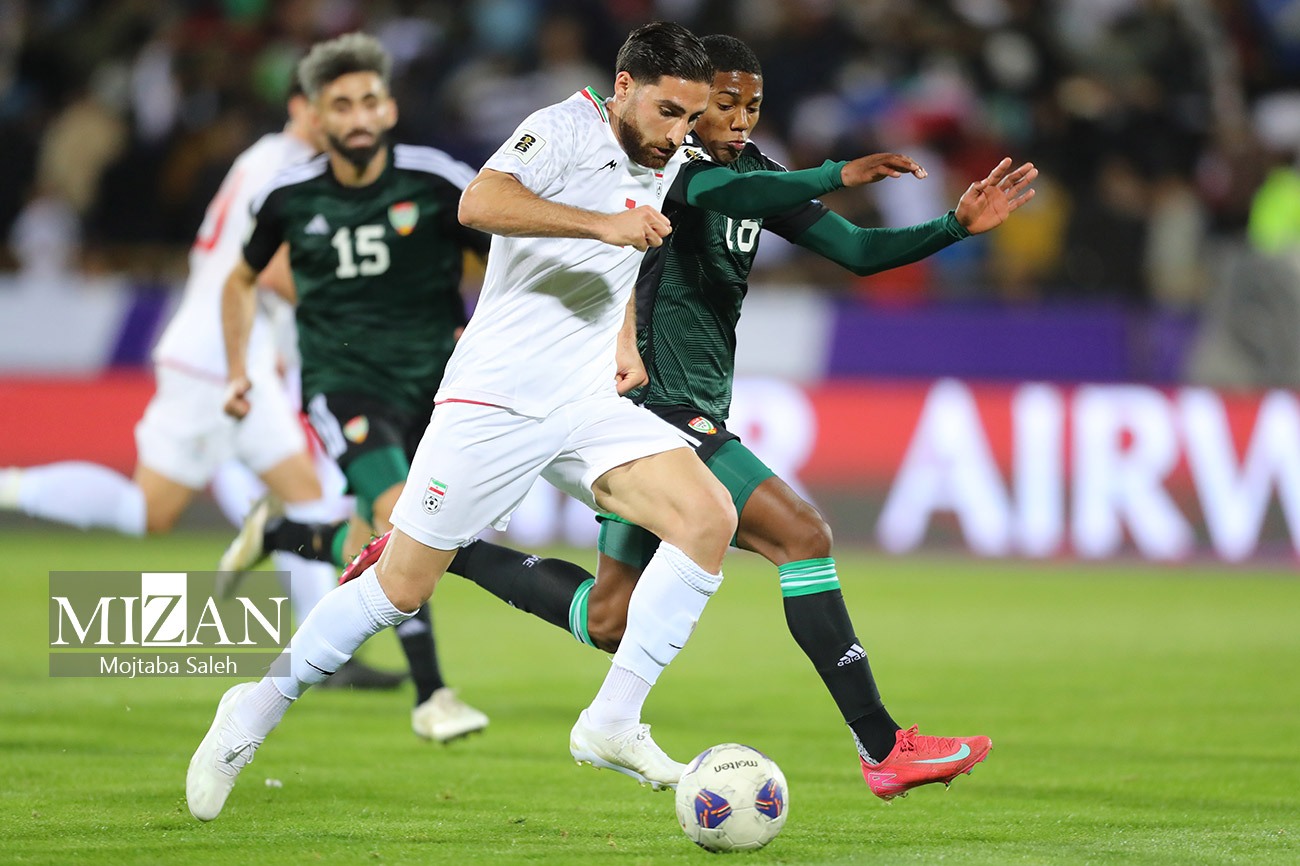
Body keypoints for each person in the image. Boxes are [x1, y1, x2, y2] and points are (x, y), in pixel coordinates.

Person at [186, 20, 932, 822]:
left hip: (588, 401)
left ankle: (611, 722)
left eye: (691, 117)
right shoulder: (562, 127)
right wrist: (603, 224)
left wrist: (625, 336)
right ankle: (253, 709)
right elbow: (480, 202)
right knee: (399, 588)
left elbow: (703, 213)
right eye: (668, 113)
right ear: (623, 88)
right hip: (496, 399)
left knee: (707, 516)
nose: (678, 134)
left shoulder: (668, 152)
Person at [343, 35, 1038, 801]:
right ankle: (884, 746)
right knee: (802, 535)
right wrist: (836, 173)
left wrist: (952, 227)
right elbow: (728, 199)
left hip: (691, 402)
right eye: (723, 105)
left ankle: (443, 549)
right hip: (648, 404)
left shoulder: (756, 173)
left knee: (608, 619)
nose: (739, 119)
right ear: (689, 104)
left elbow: (858, 250)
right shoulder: (670, 171)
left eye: (753, 107)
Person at [214, 33, 499, 744]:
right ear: (316, 116)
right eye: (341, 105)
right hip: (345, 385)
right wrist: (239, 369)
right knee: (404, 519)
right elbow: (240, 279)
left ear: (390, 108)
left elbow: (508, 257)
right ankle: (432, 694)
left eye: (370, 100)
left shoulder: (436, 181)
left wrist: (492, 333)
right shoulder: (288, 197)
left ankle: (284, 534)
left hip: (440, 385)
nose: (359, 116)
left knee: (392, 534)